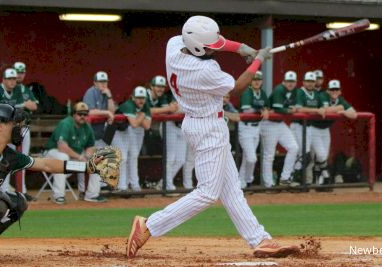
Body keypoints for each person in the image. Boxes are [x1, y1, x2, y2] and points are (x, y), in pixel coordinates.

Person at [126, 15, 299, 259]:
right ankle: (149, 225)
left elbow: (213, 41)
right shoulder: (204, 70)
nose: (215, 49)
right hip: (208, 128)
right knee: (208, 193)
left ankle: (259, 239)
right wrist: (257, 60)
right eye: (210, 47)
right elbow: (237, 88)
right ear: (197, 47)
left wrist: (240, 48)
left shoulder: (174, 45)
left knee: (231, 190)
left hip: (198, 123)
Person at [0, 103, 102, 261]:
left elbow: (46, 164)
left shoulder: (8, 155)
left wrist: (86, 167)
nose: (18, 127)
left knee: (17, 202)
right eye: (13, 123)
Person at [0, 68, 38, 198]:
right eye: (9, 79)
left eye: (14, 79)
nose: (12, 82)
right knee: (2, 161)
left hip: (11, 128)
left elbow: (20, 110)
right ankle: (2, 190)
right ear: (3, 79)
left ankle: (21, 190)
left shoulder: (18, 90)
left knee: (21, 156)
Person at [44, 102, 96, 204]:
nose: (82, 117)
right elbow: (62, 147)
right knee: (63, 157)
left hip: (73, 158)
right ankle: (58, 196)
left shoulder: (87, 127)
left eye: (85, 114)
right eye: (80, 114)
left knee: (96, 161)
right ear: (73, 114)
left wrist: (87, 155)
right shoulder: (66, 124)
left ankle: (92, 195)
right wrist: (80, 157)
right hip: (52, 154)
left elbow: (91, 146)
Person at [310, 80, 357, 184]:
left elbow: (354, 114)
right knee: (318, 157)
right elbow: (326, 110)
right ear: (328, 90)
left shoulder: (340, 99)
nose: (334, 91)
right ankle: (323, 176)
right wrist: (339, 108)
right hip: (313, 128)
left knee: (323, 157)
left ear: (340, 91)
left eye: (336, 89)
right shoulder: (323, 96)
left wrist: (344, 111)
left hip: (325, 129)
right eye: (332, 89)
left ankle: (320, 183)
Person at [82, 71, 115, 200]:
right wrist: (106, 112)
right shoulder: (90, 92)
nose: (103, 84)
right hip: (88, 135)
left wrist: (110, 97)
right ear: (95, 82)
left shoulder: (105, 94)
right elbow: (89, 111)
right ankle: (87, 192)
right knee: (91, 163)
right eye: (100, 82)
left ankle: (98, 188)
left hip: (100, 134)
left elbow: (112, 111)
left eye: (105, 82)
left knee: (102, 160)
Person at [263, 70, 299, 187]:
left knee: (294, 148)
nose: (290, 84)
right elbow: (278, 109)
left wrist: (291, 109)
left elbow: (294, 106)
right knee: (269, 155)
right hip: (268, 123)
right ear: (284, 81)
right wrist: (289, 110)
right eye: (288, 81)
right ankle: (268, 184)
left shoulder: (294, 92)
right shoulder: (279, 89)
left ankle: (285, 178)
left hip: (279, 123)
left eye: (292, 81)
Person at [111, 86, 151, 192]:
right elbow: (134, 124)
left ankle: (134, 185)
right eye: (138, 98)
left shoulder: (145, 105)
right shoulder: (128, 105)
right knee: (122, 158)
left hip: (125, 131)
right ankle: (121, 187)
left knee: (132, 157)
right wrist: (141, 116)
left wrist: (138, 117)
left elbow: (147, 126)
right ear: (133, 98)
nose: (141, 100)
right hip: (114, 131)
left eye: (143, 98)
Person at [291, 72, 326, 184]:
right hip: (298, 126)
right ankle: (293, 178)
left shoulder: (316, 93)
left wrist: (326, 109)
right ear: (303, 82)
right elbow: (299, 109)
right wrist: (316, 110)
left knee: (306, 156)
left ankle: (296, 179)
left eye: (312, 81)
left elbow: (324, 107)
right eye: (308, 81)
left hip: (309, 127)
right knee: (303, 154)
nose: (310, 84)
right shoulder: (300, 92)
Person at [238, 71, 269, 189]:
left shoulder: (262, 93)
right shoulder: (247, 91)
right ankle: (247, 179)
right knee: (251, 158)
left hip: (257, 128)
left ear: (261, 81)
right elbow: (246, 110)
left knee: (247, 158)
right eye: (254, 79)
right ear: (250, 81)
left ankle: (243, 183)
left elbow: (266, 106)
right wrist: (260, 110)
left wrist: (264, 109)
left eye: (259, 79)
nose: (256, 81)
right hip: (246, 128)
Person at [14, 62, 39, 200]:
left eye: (22, 72)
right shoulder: (8, 88)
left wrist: (27, 105)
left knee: (23, 158)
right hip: (7, 128)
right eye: (17, 72)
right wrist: (24, 104)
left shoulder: (25, 89)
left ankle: (21, 190)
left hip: (23, 127)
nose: (19, 75)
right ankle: (5, 190)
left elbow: (34, 106)